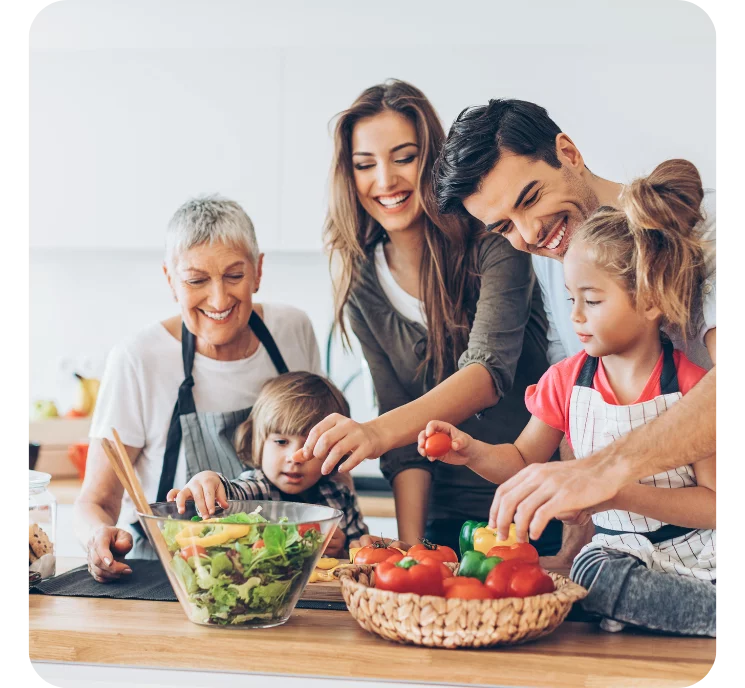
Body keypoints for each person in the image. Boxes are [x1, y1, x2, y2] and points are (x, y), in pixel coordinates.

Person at [420, 160, 717, 636]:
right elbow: (521, 460)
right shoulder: (565, 381)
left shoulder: (693, 386)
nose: (575, 316)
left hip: (699, 550)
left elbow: (713, 505)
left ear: (649, 300)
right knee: (590, 572)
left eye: (592, 301)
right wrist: (470, 452)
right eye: (570, 297)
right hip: (620, 554)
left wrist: (615, 490)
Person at [295, 79, 563, 557]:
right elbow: (401, 437)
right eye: (364, 165)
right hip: (444, 518)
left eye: (404, 157)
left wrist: (373, 433)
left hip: (534, 504)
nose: (385, 180)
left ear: (433, 161)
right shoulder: (361, 281)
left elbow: (486, 374)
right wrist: (409, 548)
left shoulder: (495, 240)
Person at [433, 99, 718, 543]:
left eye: (530, 199)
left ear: (568, 152)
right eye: (504, 227)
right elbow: (574, 415)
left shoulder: (708, 229)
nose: (529, 235)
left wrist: (605, 475)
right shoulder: (557, 256)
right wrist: (576, 552)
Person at [74, 196, 325, 582]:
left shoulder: (293, 331)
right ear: (170, 281)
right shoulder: (138, 359)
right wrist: (97, 538)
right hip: (168, 579)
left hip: (279, 574)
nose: (219, 299)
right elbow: (96, 500)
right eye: (196, 280)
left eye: (234, 276)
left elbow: (326, 457)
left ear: (258, 271)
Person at [167, 372, 369, 557]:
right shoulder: (256, 487)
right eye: (281, 442)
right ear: (258, 443)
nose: (295, 457)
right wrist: (209, 480)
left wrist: (343, 550)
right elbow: (231, 493)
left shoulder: (340, 495)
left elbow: (362, 553)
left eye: (312, 446)